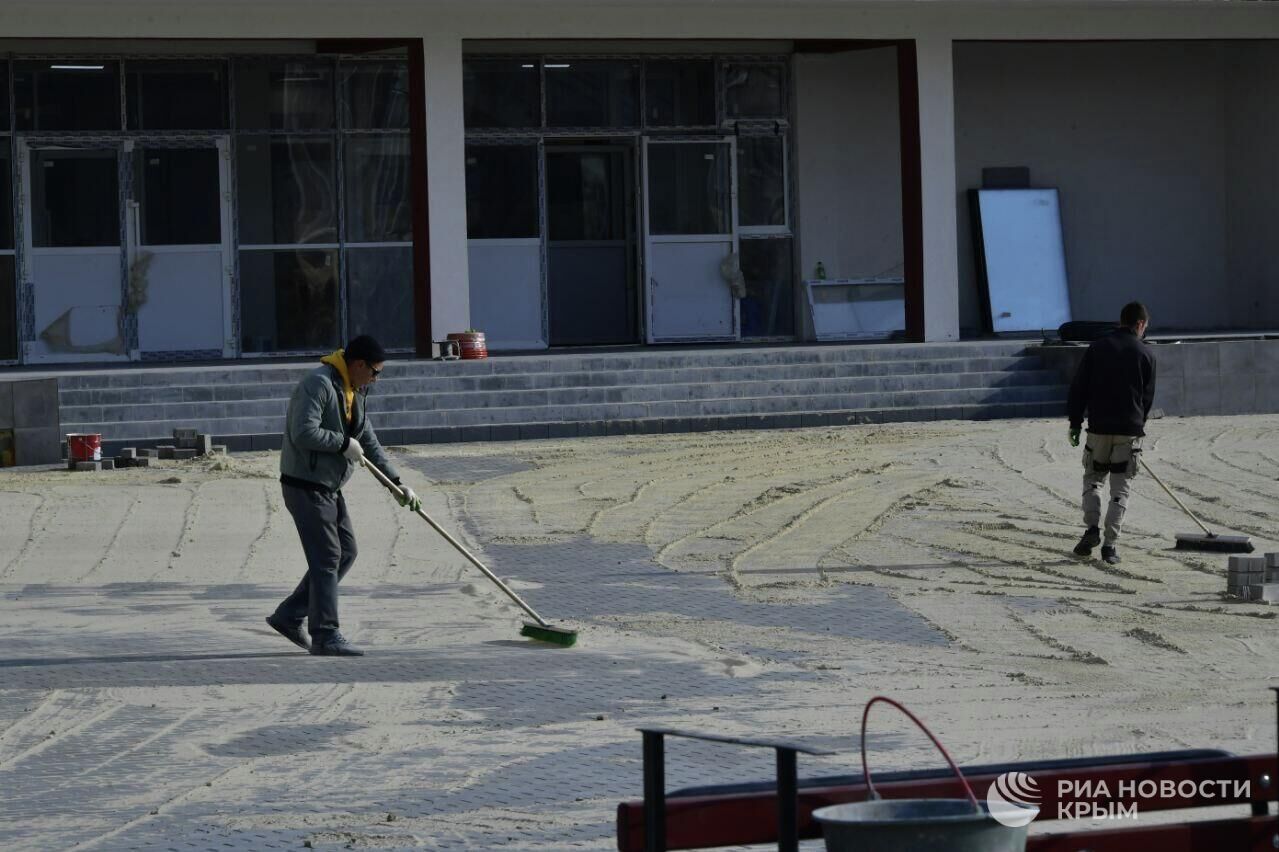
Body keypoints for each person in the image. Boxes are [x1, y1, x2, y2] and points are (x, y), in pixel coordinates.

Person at [266, 335, 422, 656]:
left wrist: (396, 483)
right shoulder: (319, 384)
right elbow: (303, 431)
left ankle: (289, 614)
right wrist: (341, 443)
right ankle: (325, 634)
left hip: (329, 487)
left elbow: (367, 439)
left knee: (346, 552)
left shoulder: (355, 390)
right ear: (359, 364)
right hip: (304, 484)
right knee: (327, 558)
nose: (376, 380)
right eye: (375, 372)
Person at [1066, 302, 1156, 566]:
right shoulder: (1146, 354)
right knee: (1120, 489)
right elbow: (1147, 399)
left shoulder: (1097, 348)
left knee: (1093, 480)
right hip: (1128, 430)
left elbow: (1079, 387)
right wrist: (1139, 425)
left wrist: (1074, 422)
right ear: (1140, 324)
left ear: (1121, 321)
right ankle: (1110, 545)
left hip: (1099, 428)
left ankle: (1091, 529)